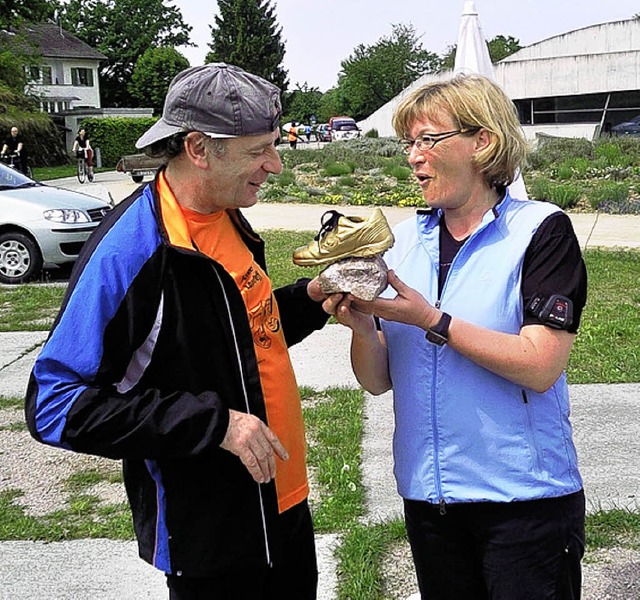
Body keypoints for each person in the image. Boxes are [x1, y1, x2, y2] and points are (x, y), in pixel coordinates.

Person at [25, 63, 330, 600]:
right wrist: (215, 425)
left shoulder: (226, 212)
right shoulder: (133, 248)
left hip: (282, 506)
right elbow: (54, 404)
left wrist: (311, 298)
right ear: (197, 147)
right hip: (209, 537)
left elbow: (238, 333)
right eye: (259, 149)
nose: (275, 164)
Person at [324, 75, 587, 600]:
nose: (414, 157)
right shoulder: (400, 243)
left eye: (428, 139)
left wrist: (433, 320)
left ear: (482, 141)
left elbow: (540, 366)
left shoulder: (540, 232)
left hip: (522, 503)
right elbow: (377, 382)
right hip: (432, 502)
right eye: (408, 144)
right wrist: (360, 329)